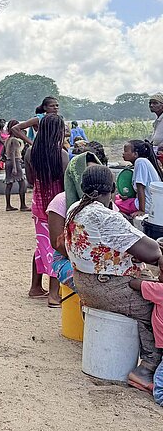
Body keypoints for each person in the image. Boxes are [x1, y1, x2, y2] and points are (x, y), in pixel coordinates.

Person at [65, 165, 163, 394]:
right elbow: (150, 253)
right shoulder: (102, 215)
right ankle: (147, 369)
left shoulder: (76, 208)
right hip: (107, 287)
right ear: (112, 187)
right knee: (154, 305)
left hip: (85, 284)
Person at [24, 113, 68, 307]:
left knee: (41, 246)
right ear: (58, 132)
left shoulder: (30, 153)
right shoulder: (62, 155)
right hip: (57, 207)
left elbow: (30, 181)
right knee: (57, 248)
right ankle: (53, 295)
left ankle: (35, 287)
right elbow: (67, 185)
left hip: (39, 205)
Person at [115, 140, 163, 217]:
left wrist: (141, 210)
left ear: (135, 154)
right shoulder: (142, 162)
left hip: (147, 204)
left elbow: (141, 187)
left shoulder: (140, 162)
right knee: (116, 197)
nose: (123, 153)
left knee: (114, 203)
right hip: (145, 201)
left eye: (126, 151)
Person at [3, 120, 28, 212]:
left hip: (8, 162)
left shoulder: (7, 140)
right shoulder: (15, 140)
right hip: (15, 162)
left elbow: (3, 153)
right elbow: (13, 153)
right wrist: (14, 167)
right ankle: (23, 205)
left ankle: (8, 205)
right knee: (22, 183)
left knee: (9, 184)